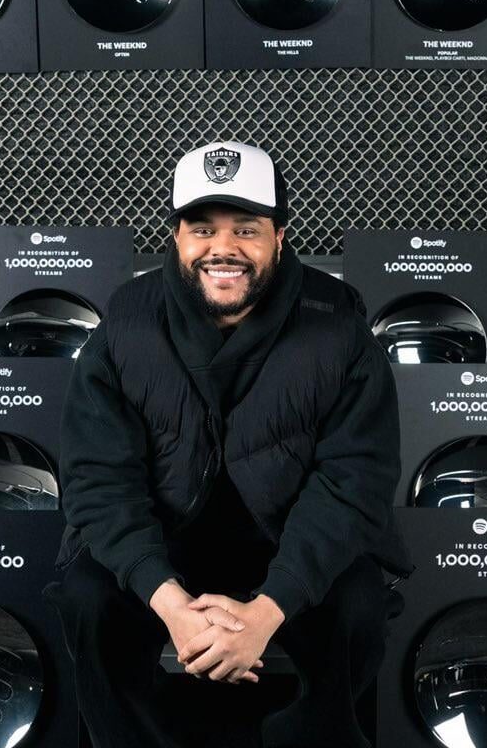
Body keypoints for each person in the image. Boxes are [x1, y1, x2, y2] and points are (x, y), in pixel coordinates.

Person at [45, 140, 413, 748]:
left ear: (280, 237)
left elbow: (355, 481)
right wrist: (175, 609)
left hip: (286, 540)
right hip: (165, 541)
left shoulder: (338, 321)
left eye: (247, 228)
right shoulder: (126, 321)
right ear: (176, 237)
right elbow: (97, 480)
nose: (224, 249)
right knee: (88, 597)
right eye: (202, 228)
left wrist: (263, 614)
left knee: (358, 605)